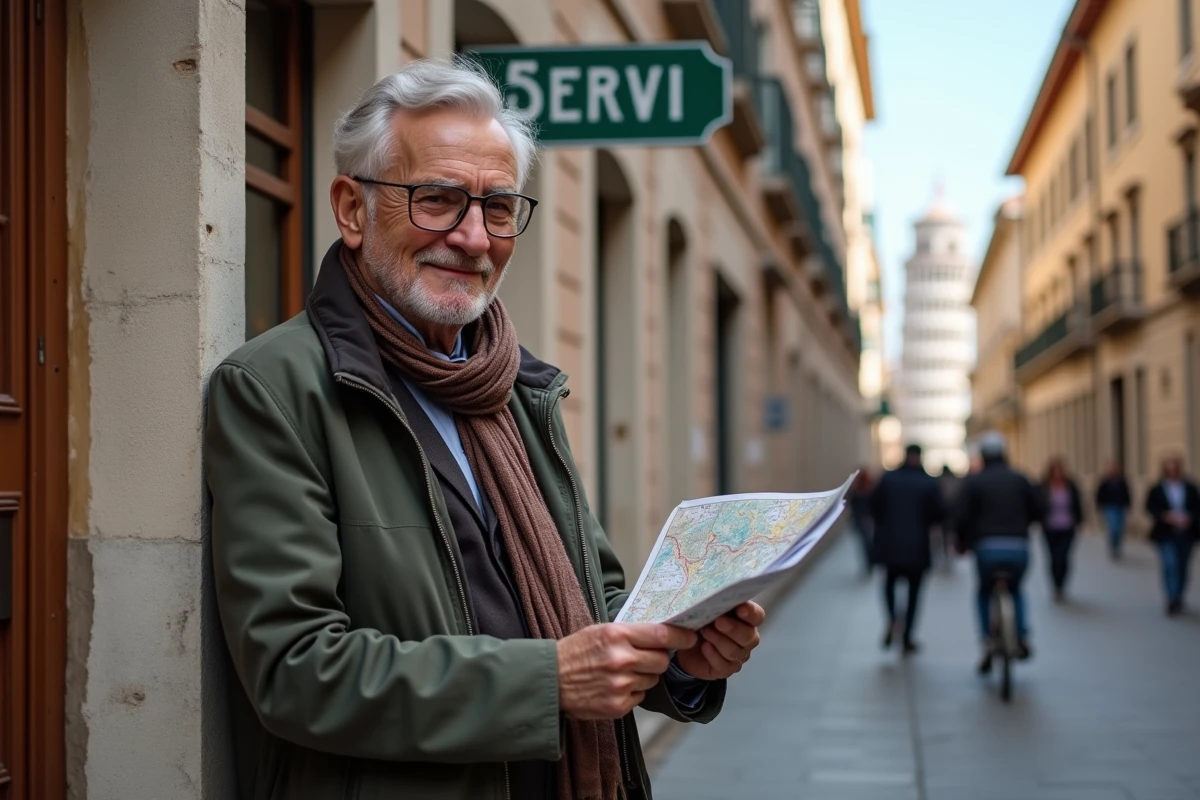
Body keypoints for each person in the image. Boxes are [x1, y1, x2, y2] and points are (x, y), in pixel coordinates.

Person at [204, 60, 764, 800]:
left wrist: (685, 659)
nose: (473, 238)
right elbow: (295, 668)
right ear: (351, 208)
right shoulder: (274, 388)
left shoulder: (515, 384)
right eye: (437, 200)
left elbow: (593, 602)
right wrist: (547, 681)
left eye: (498, 208)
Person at [954, 431, 1041, 672]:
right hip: (1018, 547)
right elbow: (1039, 507)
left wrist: (961, 541)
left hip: (987, 548)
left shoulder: (975, 481)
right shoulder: (1020, 478)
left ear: (983, 455)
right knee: (1016, 590)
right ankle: (1021, 636)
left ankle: (987, 639)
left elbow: (960, 515)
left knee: (983, 591)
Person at [868, 444, 943, 654]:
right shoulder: (928, 482)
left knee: (889, 584)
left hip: (889, 545)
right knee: (914, 593)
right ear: (920, 457)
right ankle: (908, 635)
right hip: (917, 547)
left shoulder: (888, 479)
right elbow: (939, 513)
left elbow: (873, 505)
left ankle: (893, 619)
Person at [1145, 455, 1200, 616]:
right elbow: (1150, 506)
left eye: (1175, 466)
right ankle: (1171, 597)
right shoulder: (1157, 488)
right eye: (1169, 466)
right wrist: (1165, 516)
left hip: (1187, 532)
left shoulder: (1190, 487)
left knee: (1182, 566)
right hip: (1166, 533)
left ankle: (1179, 595)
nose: (1173, 469)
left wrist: (1190, 518)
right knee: (1170, 564)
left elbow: (1197, 506)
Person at [1038, 457, 1083, 602]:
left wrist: (1080, 521)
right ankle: (1056, 586)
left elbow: (1078, 503)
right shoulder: (1044, 486)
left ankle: (1062, 584)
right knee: (1053, 558)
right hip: (1050, 527)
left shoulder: (1070, 485)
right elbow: (1038, 504)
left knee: (1064, 557)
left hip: (1067, 526)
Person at [1095, 459, 1132, 560]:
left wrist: (1128, 506)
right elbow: (1099, 494)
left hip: (1120, 507)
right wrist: (1099, 506)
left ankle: (1117, 546)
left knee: (1119, 529)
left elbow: (1127, 494)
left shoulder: (1121, 480)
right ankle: (1113, 545)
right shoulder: (1105, 481)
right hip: (1109, 508)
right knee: (1113, 528)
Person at [848, 468, 876, 576]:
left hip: (864, 521)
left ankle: (870, 563)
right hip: (862, 521)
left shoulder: (866, 490)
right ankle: (869, 563)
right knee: (866, 544)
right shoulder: (859, 490)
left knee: (866, 544)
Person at [936, 465, 962, 567]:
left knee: (943, 535)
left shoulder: (938, 482)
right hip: (952, 512)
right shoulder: (956, 481)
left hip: (944, 512)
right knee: (949, 535)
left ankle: (946, 556)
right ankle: (948, 556)